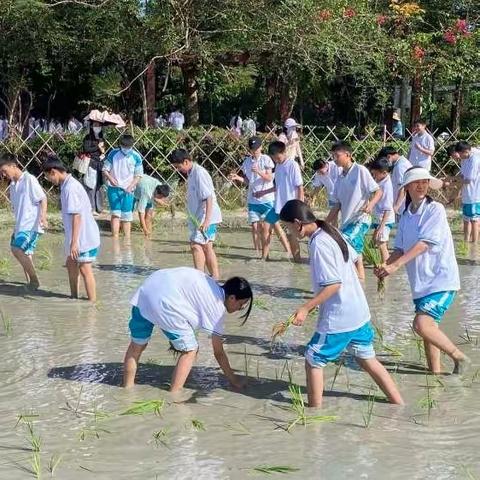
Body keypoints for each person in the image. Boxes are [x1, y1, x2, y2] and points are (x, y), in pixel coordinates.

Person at [279, 200, 404, 408]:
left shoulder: (319, 242)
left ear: (298, 223)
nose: (289, 232)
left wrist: (305, 308)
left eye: (288, 228)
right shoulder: (331, 231)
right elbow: (356, 258)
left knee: (313, 357)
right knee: (367, 358)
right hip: (359, 311)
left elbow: (333, 285)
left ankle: (314, 413)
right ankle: (399, 405)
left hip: (341, 315)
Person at [376, 167, 468, 374]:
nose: (421, 185)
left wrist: (395, 266)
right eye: (416, 182)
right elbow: (400, 248)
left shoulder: (435, 209)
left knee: (421, 324)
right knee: (428, 329)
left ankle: (458, 357)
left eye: (425, 182)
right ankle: (435, 374)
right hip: (420, 283)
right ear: (407, 187)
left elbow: (424, 244)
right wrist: (385, 264)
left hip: (440, 279)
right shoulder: (406, 215)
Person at [123, 267, 253, 391]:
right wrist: (234, 380)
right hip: (164, 301)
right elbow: (218, 353)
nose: (240, 309)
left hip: (147, 288)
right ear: (232, 298)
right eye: (241, 304)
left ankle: (127, 389)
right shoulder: (217, 307)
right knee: (191, 350)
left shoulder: (209, 283)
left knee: (136, 346)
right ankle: (175, 395)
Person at [43, 159, 100, 302]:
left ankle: (92, 304)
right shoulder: (66, 185)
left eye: (47, 176)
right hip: (76, 236)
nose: (48, 180)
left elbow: (77, 216)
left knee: (85, 269)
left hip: (84, 237)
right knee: (70, 264)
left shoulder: (70, 188)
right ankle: (73, 297)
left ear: (53, 172)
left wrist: (74, 243)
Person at [326, 142, 382, 280]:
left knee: (346, 250)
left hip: (360, 219)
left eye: (337, 155)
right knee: (357, 256)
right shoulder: (339, 177)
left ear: (348, 155)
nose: (334, 159)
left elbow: (378, 192)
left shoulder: (360, 170)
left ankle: (351, 283)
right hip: (347, 222)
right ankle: (361, 284)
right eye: (333, 156)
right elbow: (337, 204)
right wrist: (324, 223)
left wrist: (370, 206)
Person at [229, 136, 290, 260]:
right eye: (252, 149)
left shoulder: (266, 159)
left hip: (267, 199)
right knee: (255, 226)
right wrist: (237, 178)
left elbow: (269, 178)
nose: (254, 151)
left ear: (261, 147)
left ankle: (287, 250)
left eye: (256, 148)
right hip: (253, 199)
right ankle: (257, 253)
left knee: (275, 226)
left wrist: (258, 171)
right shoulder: (246, 162)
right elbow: (248, 180)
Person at [169, 149, 222, 279]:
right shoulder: (192, 173)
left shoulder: (200, 173)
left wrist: (207, 221)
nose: (178, 169)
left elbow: (208, 197)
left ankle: (200, 278)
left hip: (206, 217)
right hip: (198, 217)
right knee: (206, 247)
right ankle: (214, 278)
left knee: (195, 245)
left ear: (186, 161)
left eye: (178, 166)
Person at [0, 154, 47, 289]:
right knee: (26, 254)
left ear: (13, 166)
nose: (3, 175)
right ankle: (31, 286)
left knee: (16, 249)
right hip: (21, 226)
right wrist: (16, 229)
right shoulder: (13, 186)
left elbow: (42, 198)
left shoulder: (29, 179)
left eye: (4, 171)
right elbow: (19, 210)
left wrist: (43, 216)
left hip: (31, 226)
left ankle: (34, 281)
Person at [255, 141, 304, 261]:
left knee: (291, 234)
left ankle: (297, 260)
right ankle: (264, 258)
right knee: (265, 227)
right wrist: (263, 192)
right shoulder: (278, 166)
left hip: (290, 207)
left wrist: (299, 207)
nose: (276, 159)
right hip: (277, 206)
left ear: (284, 152)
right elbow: (277, 186)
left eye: (277, 156)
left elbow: (300, 187)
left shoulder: (293, 165)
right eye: (273, 157)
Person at [103, 134, 143, 240]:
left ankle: (127, 240)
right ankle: (115, 238)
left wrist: (131, 186)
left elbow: (138, 175)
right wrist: (111, 179)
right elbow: (105, 169)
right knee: (115, 214)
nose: (126, 149)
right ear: (120, 145)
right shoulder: (113, 153)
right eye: (124, 147)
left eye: (128, 147)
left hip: (128, 190)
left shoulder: (136, 156)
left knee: (127, 216)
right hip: (113, 188)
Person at [367, 157, 395, 263]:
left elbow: (388, 209)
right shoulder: (381, 180)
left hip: (385, 219)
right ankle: (381, 262)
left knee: (382, 245)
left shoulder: (387, 186)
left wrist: (381, 227)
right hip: (378, 217)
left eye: (375, 174)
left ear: (383, 172)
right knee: (377, 241)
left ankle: (386, 268)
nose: (374, 177)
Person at [456, 141, 480, 243]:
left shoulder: (474, 160)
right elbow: (462, 176)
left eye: (460, 154)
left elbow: (469, 179)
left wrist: (453, 182)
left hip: (474, 195)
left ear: (466, 151)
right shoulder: (464, 159)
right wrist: (453, 179)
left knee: (474, 221)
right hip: (466, 195)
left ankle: (474, 243)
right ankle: (466, 242)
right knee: (466, 220)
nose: (459, 156)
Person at [377, 146, 412, 217]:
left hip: (403, 206)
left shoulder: (401, 166)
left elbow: (403, 187)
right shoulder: (400, 163)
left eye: (385, 161)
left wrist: (396, 206)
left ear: (389, 156)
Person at [81, 122, 106, 214]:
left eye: (99, 125)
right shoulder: (88, 137)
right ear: (91, 126)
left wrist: (103, 152)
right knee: (91, 185)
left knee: (99, 186)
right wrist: (97, 146)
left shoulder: (101, 138)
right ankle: (91, 208)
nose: (97, 127)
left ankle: (99, 208)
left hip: (100, 163)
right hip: (91, 163)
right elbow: (86, 149)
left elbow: (103, 150)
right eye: (95, 125)